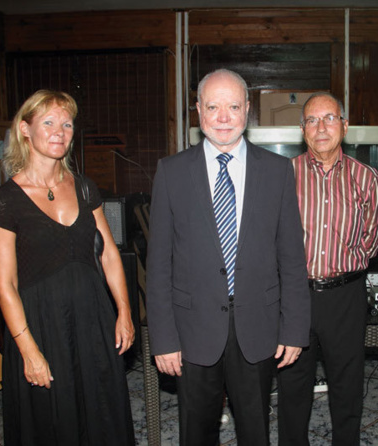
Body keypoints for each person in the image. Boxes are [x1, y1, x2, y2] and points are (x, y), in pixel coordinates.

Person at [146, 69, 310, 446]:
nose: (223, 117)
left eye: (233, 106)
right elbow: (158, 266)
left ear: (247, 110)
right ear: (198, 111)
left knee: (256, 431)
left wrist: (294, 329)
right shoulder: (171, 172)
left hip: (258, 327)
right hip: (191, 330)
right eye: (213, 107)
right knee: (196, 432)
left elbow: (291, 258)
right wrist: (164, 338)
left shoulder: (277, 171)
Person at [0, 90, 135, 446]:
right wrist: (28, 349)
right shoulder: (5, 200)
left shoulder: (85, 188)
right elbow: (5, 284)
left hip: (93, 319)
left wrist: (125, 311)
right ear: (25, 129)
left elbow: (109, 255)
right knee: (51, 421)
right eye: (48, 122)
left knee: (102, 413)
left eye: (66, 124)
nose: (59, 131)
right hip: (39, 326)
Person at [277, 92, 378, 445]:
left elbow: (371, 242)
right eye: (311, 120)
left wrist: (343, 268)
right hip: (294, 297)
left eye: (329, 118)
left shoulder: (368, 178)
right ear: (302, 129)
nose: (321, 127)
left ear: (345, 125)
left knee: (347, 385)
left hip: (346, 296)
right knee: (293, 386)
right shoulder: (282, 176)